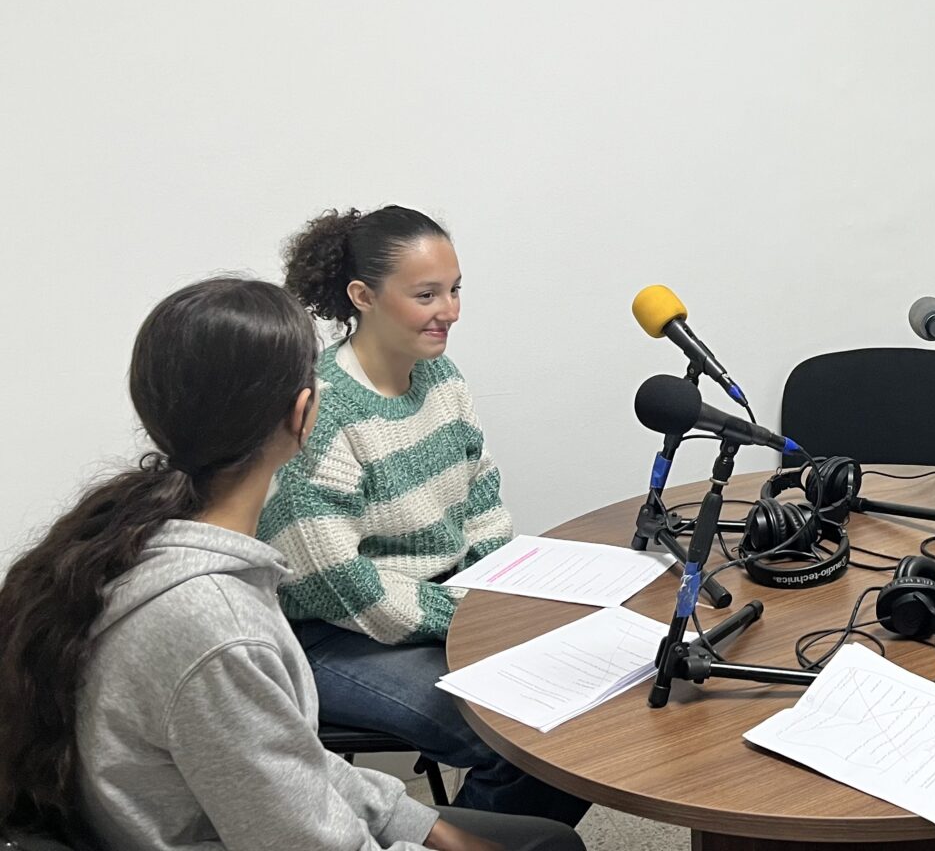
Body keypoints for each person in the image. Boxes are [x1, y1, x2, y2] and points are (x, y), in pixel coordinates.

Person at [0, 277, 582, 851]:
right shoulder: (216, 625)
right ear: (304, 412)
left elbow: (295, 764)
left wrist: (429, 828)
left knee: (545, 839)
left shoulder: (130, 538)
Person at [263, 207, 588, 825]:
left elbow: (481, 497)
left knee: (577, 713)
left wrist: (497, 596)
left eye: (455, 289)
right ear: (363, 297)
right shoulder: (323, 410)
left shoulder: (440, 376)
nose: (451, 311)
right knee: (519, 743)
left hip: (444, 605)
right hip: (334, 633)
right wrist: (470, 618)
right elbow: (339, 583)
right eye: (426, 295)